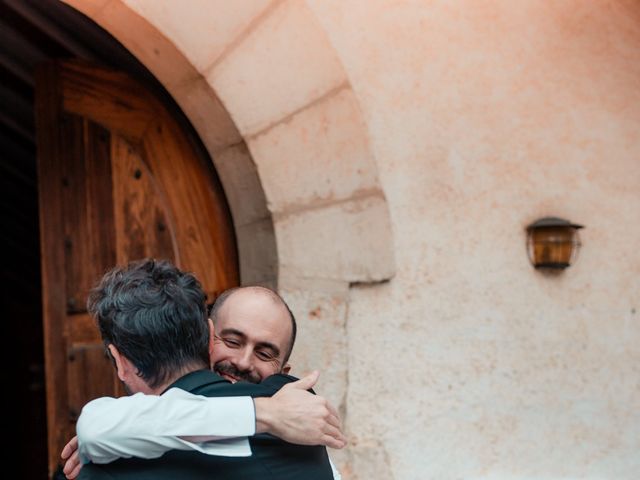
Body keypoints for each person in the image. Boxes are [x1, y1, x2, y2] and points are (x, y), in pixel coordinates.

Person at [70, 258, 339, 480]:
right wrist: (266, 413)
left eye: (265, 353)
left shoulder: (295, 413)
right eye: (233, 341)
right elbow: (97, 428)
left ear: (283, 370)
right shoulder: (123, 434)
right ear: (208, 335)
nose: (243, 363)